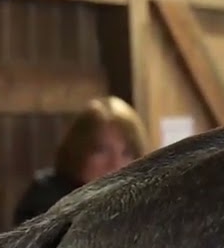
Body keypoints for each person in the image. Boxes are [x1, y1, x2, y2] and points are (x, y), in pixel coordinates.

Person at [12, 95, 148, 226]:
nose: (116, 163)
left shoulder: (142, 201)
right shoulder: (47, 201)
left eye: (126, 153)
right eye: (102, 150)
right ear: (78, 151)